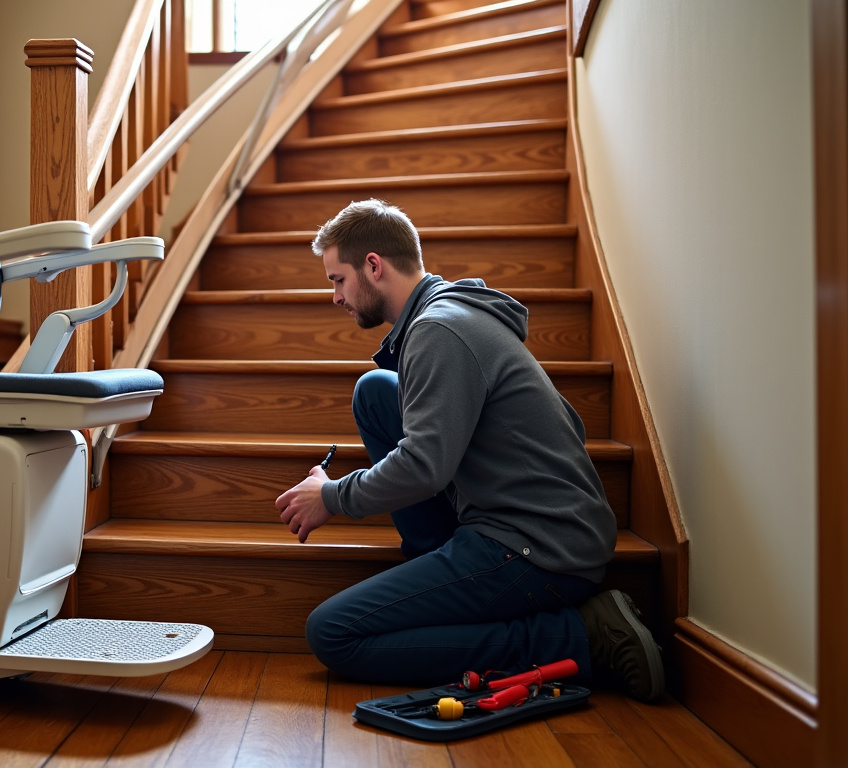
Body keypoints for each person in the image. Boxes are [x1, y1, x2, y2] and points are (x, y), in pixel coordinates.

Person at [275, 199, 664, 701]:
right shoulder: (443, 318)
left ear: (374, 265)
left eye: (337, 279)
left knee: (332, 633)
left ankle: (581, 636)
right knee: (376, 392)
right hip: (527, 523)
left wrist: (330, 497)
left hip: (539, 548)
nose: (334, 296)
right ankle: (435, 562)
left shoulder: (438, 331)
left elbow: (423, 466)